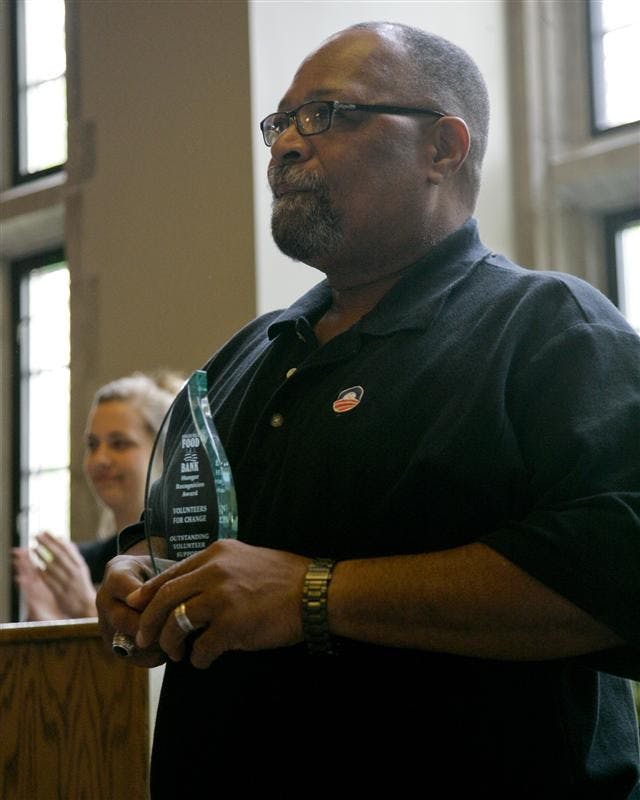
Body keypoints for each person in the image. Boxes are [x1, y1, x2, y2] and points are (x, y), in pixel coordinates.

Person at [96, 22, 640, 798]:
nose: (286, 144)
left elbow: (619, 569)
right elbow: (183, 540)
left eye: (326, 114)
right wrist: (143, 575)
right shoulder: (245, 355)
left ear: (442, 149)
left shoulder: (550, 327)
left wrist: (313, 595)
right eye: (281, 122)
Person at [13, 370, 183, 620]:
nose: (100, 459)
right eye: (93, 445)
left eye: (119, 443)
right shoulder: (78, 565)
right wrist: (45, 625)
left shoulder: (182, 555)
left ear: (163, 451)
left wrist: (87, 608)